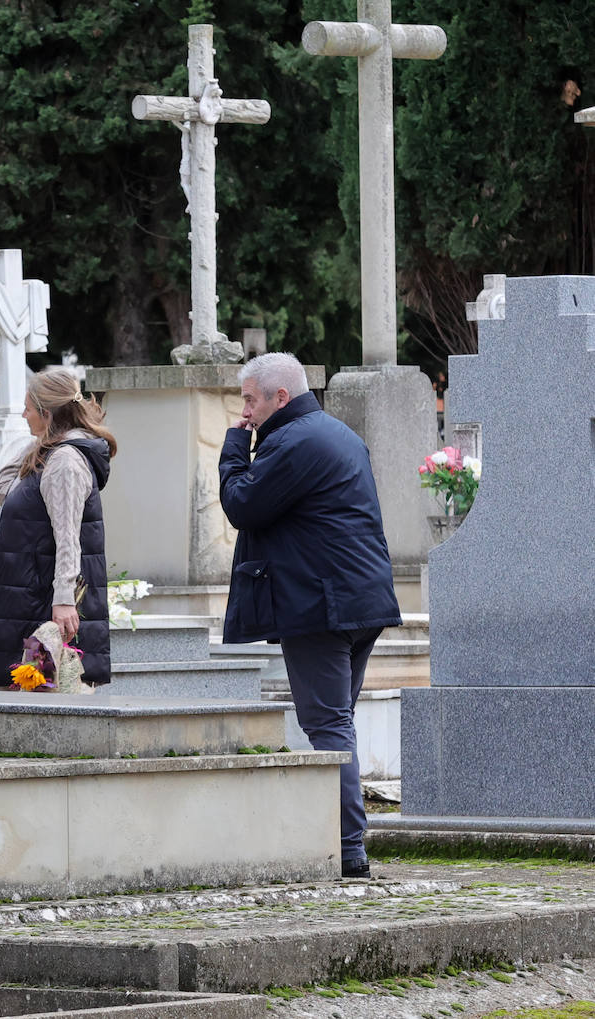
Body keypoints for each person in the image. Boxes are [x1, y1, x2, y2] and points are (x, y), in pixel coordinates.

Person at [218, 353, 401, 879]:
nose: (245, 412)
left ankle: (347, 851)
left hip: (322, 606)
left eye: (250, 399)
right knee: (337, 721)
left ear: (280, 397)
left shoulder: (294, 442)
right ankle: (345, 842)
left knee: (328, 726)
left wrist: (234, 450)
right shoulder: (335, 433)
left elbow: (243, 505)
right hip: (359, 601)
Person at [0, 367, 117, 690]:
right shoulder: (51, 455)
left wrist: (64, 600)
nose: (24, 415)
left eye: (29, 408)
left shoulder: (65, 463)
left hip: (43, 602)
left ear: (45, 413)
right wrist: (40, 443)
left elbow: (68, 537)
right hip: (29, 598)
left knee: (46, 694)